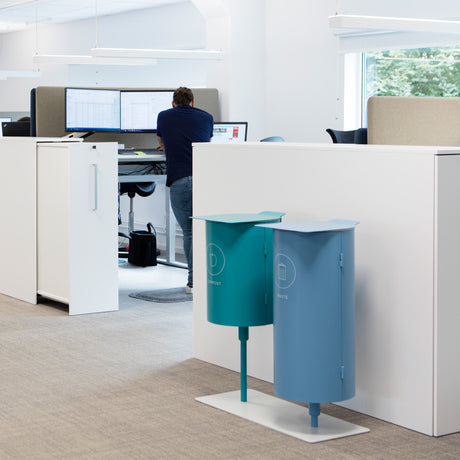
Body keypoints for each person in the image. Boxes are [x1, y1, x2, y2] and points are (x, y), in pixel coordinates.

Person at [157, 87, 214, 294]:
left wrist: (168, 146)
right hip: (202, 181)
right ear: (193, 102)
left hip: (179, 181)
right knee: (199, 231)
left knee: (189, 232)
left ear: (173, 103)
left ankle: (193, 282)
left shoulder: (163, 116)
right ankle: (199, 281)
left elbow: (162, 142)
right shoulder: (207, 117)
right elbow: (206, 145)